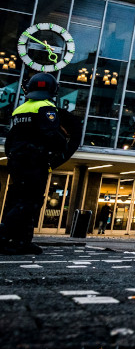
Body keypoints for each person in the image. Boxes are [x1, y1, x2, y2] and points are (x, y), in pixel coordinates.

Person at [0, 73, 80, 255]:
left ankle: (22, 241)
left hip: (18, 160)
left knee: (19, 200)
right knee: (31, 202)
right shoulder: (46, 107)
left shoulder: (20, 109)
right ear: (53, 90)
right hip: (35, 161)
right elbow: (51, 133)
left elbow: (11, 138)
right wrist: (62, 147)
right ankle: (3, 236)